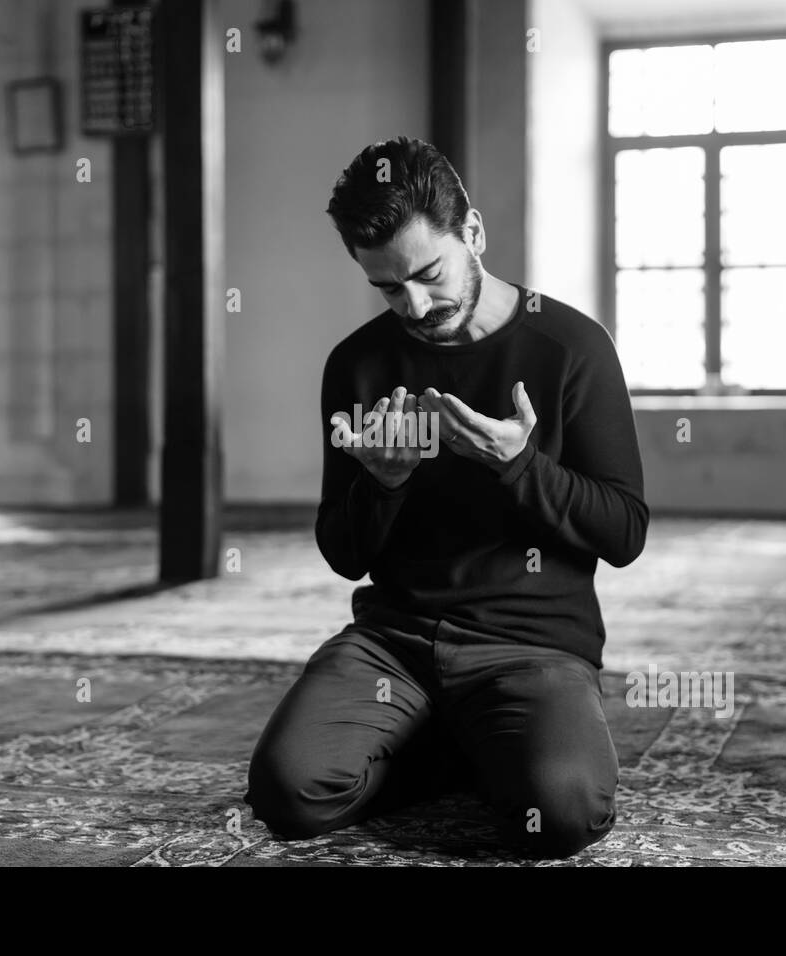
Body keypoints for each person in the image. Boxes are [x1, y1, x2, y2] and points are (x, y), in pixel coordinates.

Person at [244, 136, 649, 859]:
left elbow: (623, 533)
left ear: (475, 233)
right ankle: (471, 743)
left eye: (429, 274)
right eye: (389, 288)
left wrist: (519, 463)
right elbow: (343, 553)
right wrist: (385, 483)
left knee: (561, 816)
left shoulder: (572, 347)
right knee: (288, 793)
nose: (416, 304)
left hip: (531, 644)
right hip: (395, 641)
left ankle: (491, 745)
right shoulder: (359, 364)